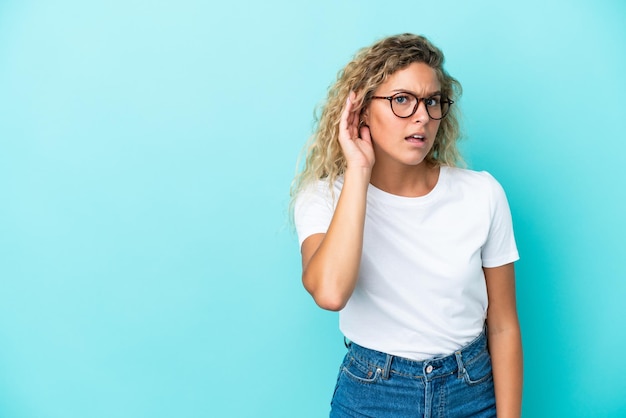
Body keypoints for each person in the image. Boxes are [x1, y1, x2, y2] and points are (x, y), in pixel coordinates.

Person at [290, 33, 522, 417]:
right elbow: (330, 294)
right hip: (373, 395)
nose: (422, 116)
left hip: (471, 391)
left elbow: (502, 325)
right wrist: (359, 171)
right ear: (361, 110)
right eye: (402, 100)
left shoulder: (482, 194)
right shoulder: (324, 198)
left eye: (432, 101)